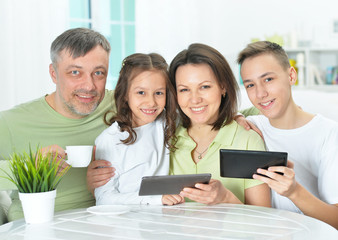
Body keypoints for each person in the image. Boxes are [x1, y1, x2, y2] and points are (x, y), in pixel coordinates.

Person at [0, 28, 115, 222]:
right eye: (75, 72)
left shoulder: (123, 106)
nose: (89, 86)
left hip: (106, 221)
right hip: (37, 225)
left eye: (98, 73)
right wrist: (29, 168)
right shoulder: (11, 122)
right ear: (54, 73)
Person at [237, 41, 338, 229]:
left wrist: (294, 191)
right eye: (250, 85)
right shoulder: (251, 127)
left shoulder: (329, 134)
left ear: (291, 75)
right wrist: (236, 115)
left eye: (268, 79)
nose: (260, 93)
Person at [168, 43, 271, 206]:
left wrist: (226, 198)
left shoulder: (248, 141)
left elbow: (264, 219)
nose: (195, 99)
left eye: (204, 87)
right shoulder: (167, 140)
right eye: (184, 89)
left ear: (223, 87)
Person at [94, 53, 184, 206]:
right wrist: (156, 200)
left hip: (163, 217)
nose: (151, 102)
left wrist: (236, 116)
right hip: (127, 221)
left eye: (159, 93)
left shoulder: (167, 121)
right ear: (125, 95)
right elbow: (104, 198)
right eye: (141, 93)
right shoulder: (109, 139)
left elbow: (199, 112)